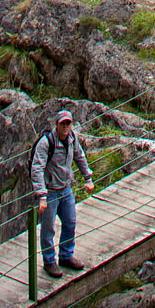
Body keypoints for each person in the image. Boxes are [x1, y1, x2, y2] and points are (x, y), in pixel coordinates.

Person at [30, 107, 94, 276]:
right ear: (56, 125)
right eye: (62, 124)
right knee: (48, 229)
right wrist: (41, 196)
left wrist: (87, 177)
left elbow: (80, 156)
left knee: (70, 222)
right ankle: (50, 262)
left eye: (68, 124)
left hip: (66, 189)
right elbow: (37, 168)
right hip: (50, 192)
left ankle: (66, 256)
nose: (65, 128)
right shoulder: (46, 143)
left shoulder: (72, 139)